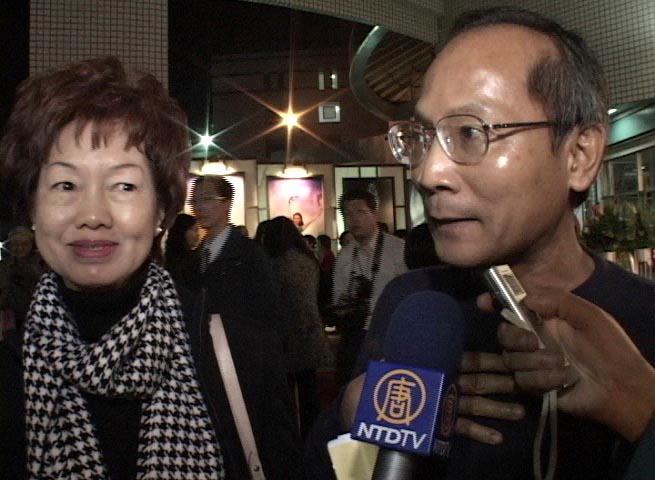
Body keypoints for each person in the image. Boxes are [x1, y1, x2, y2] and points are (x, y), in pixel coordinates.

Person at [339, 6, 655, 479]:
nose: (428, 173)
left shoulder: (645, 319)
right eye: (423, 136)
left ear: (579, 154)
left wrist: (640, 411)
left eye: (470, 132)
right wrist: (353, 412)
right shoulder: (413, 305)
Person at [0, 57, 223, 479]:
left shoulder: (235, 356)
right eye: (66, 185)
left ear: (162, 208)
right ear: (32, 208)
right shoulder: (9, 373)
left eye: (124, 185)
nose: (93, 215)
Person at [189, 175, 305, 479]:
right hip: (209, 364)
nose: (199, 207)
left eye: (206, 199)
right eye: (195, 200)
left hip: (248, 364)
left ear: (226, 204)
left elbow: (269, 310)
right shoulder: (196, 258)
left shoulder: (248, 254)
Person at [258, 216, 333, 439]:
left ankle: (290, 438)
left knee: (287, 394)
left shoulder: (276, 263)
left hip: (286, 335)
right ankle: (312, 435)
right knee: (310, 390)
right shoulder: (307, 260)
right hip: (309, 330)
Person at [331, 189, 407, 385]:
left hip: (387, 335)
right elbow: (338, 299)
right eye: (348, 214)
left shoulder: (397, 250)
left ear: (375, 214)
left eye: (360, 212)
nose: (354, 219)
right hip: (354, 337)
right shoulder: (345, 255)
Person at [0, 226, 45, 340]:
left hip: (38, 318)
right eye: (15, 244)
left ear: (31, 245)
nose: (19, 248)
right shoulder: (4, 266)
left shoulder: (42, 264)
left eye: (24, 244)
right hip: (10, 320)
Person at [163, 212, 198, 286]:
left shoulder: (167, 258)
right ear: (182, 231)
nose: (197, 234)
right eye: (194, 230)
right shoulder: (191, 259)